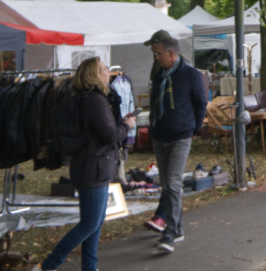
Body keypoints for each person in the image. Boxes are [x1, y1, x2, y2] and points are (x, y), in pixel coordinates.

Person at [27, 58, 137, 266]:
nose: (109, 73)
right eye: (105, 69)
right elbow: (110, 135)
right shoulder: (94, 101)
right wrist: (127, 125)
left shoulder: (83, 98)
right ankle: (48, 264)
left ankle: (89, 265)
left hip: (92, 166)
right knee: (89, 223)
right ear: (95, 75)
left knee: (95, 223)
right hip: (93, 168)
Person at [145, 34, 207, 253]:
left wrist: (193, 128)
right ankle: (177, 228)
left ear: (172, 53)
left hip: (181, 136)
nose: (156, 57)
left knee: (172, 183)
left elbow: (201, 103)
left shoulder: (191, 75)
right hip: (160, 135)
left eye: (158, 53)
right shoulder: (159, 74)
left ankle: (169, 233)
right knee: (168, 184)